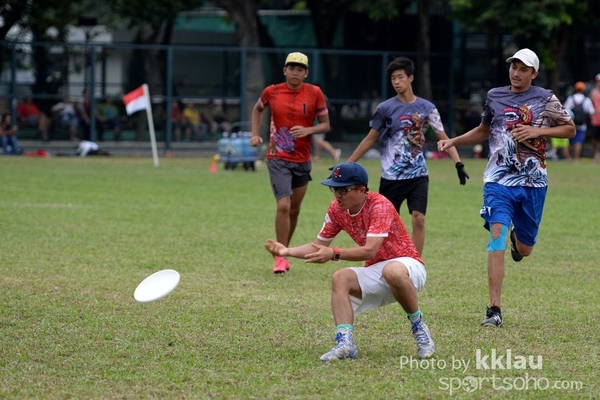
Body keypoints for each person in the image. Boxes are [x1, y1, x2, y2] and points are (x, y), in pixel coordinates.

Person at [437, 48, 576, 327]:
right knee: (496, 235)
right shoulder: (494, 96)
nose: (516, 73)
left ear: (534, 74)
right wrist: (454, 141)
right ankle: (494, 310)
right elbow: (483, 131)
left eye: (523, 69)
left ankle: (518, 240)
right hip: (498, 181)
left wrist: (538, 131)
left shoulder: (546, 98)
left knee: (525, 248)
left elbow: (569, 129)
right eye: (514, 67)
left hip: (533, 182)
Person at [264, 162, 435, 361]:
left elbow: (370, 250)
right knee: (340, 277)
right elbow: (318, 246)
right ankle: (345, 344)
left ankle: (419, 328)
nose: (338, 195)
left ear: (361, 190)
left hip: (408, 265)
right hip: (377, 269)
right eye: (334, 189)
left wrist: (334, 253)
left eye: (343, 190)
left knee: (392, 271)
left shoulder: (379, 205)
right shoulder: (336, 209)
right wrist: (286, 251)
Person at [347, 56, 469, 256]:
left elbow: (444, 137)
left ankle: (415, 262)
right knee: (385, 224)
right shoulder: (384, 108)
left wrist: (458, 163)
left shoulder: (427, 108)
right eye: (393, 78)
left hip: (418, 175)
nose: (396, 82)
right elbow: (370, 139)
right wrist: (348, 163)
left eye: (400, 77)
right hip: (391, 177)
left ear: (411, 78)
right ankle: (384, 260)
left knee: (418, 218)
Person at [250, 52, 330, 273]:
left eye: (300, 69)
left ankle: (284, 250)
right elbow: (257, 109)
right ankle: (280, 258)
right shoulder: (272, 91)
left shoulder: (315, 93)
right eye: (292, 68)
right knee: (283, 205)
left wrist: (308, 130)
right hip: (277, 157)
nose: (295, 73)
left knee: (294, 209)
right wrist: (255, 134)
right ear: (285, 70)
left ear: (306, 73)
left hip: (302, 160)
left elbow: (325, 125)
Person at [564, 81, 594, 162]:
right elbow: (591, 112)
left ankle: (569, 157)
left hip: (571, 123)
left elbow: (566, 109)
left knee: (570, 140)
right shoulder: (586, 100)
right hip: (582, 124)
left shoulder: (571, 98)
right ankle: (576, 158)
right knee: (579, 141)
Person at [589, 73, 600, 162]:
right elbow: (590, 104)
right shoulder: (593, 93)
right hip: (595, 119)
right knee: (594, 138)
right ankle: (596, 153)